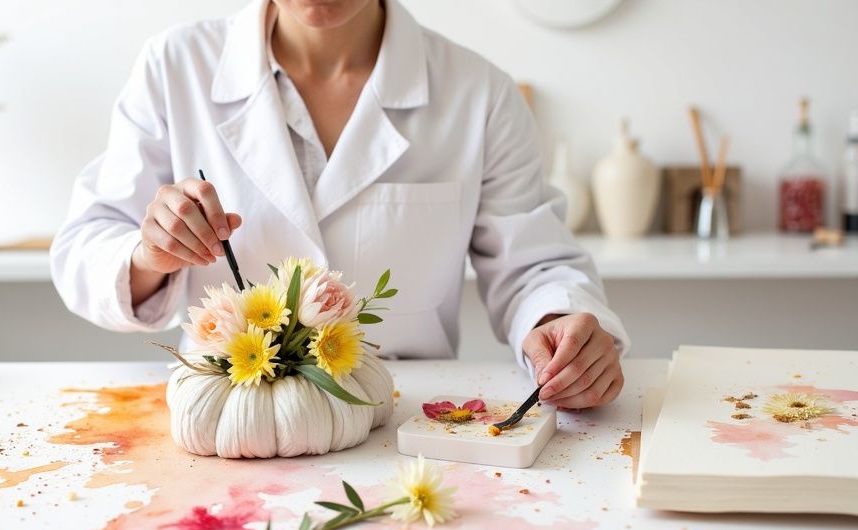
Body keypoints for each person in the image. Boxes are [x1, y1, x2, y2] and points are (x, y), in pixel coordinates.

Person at [51, 0, 630, 409]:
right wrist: (151, 254)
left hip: (406, 424)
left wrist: (560, 327)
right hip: (230, 416)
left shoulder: (479, 93)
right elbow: (87, 245)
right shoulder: (173, 67)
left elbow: (535, 265)